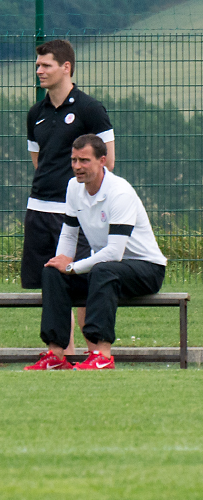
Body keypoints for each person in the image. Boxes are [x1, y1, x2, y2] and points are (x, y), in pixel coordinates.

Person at [25, 134, 166, 371]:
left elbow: (114, 253)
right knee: (51, 273)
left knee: (103, 270)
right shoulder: (73, 187)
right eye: (74, 160)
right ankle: (57, 355)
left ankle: (102, 355)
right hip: (107, 268)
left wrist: (72, 267)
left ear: (102, 161)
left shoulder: (120, 192)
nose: (77, 167)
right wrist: (61, 262)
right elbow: (69, 234)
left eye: (84, 160)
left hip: (146, 269)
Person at [23, 39, 115, 352]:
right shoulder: (36, 112)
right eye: (38, 65)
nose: (39, 71)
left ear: (66, 67)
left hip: (76, 213)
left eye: (46, 65)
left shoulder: (90, 109)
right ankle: (63, 354)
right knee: (51, 284)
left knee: (85, 283)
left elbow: (108, 162)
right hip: (38, 209)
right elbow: (39, 160)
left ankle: (95, 354)